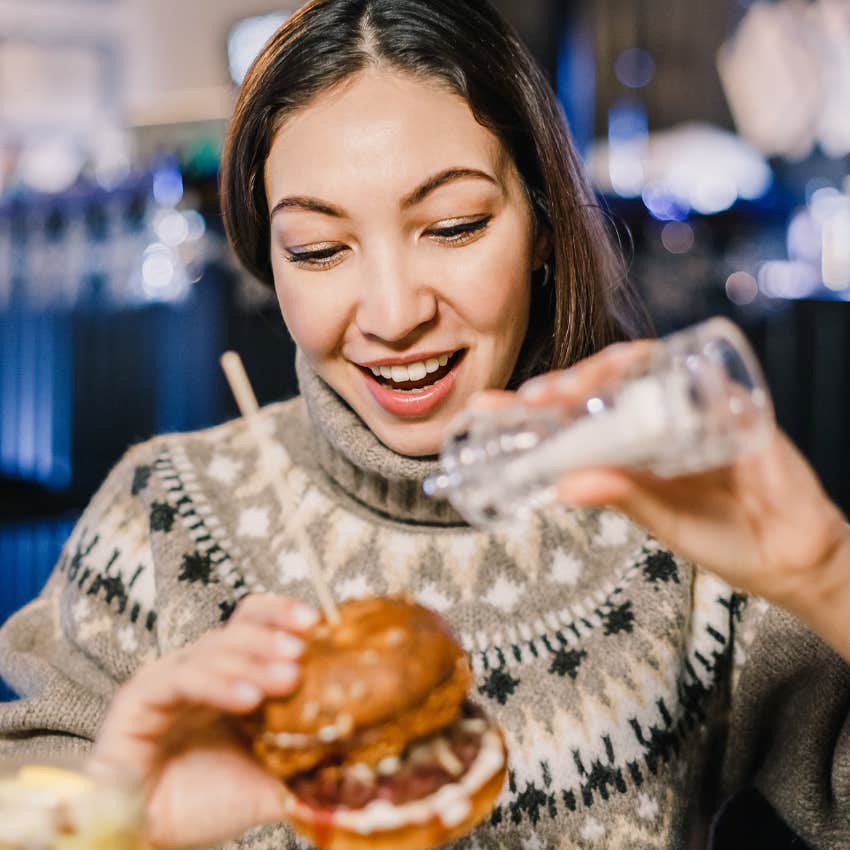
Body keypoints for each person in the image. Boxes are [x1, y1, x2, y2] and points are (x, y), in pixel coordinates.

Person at [1, 0, 849, 848]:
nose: (394, 314)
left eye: (454, 227)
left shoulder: (685, 524)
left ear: (545, 223)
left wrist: (827, 574)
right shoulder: (160, 513)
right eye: (319, 248)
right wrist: (117, 816)